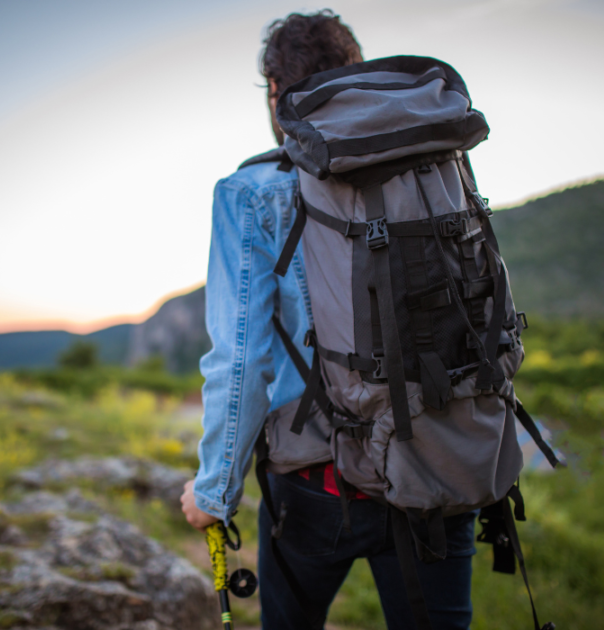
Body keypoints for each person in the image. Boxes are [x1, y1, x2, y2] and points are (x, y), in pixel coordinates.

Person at [181, 11, 478, 630]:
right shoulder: (431, 168)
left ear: (274, 90)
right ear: (354, 73)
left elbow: (242, 358)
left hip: (318, 484)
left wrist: (214, 494)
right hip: (439, 463)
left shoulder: (252, 190)